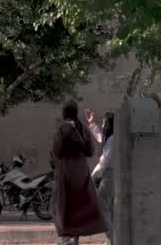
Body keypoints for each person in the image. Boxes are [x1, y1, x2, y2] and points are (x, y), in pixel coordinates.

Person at [51, 101, 106, 245]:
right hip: (81, 172)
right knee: (79, 206)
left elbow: (56, 150)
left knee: (62, 205)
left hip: (66, 172)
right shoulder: (82, 129)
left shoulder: (62, 129)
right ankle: (74, 239)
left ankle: (66, 238)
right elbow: (90, 151)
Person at [86, 110, 116, 244]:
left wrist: (93, 175)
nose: (102, 126)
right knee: (109, 208)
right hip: (110, 175)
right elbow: (100, 137)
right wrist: (92, 123)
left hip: (109, 175)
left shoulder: (112, 140)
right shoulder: (111, 138)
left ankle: (113, 239)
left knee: (103, 208)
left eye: (104, 124)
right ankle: (114, 239)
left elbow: (104, 161)